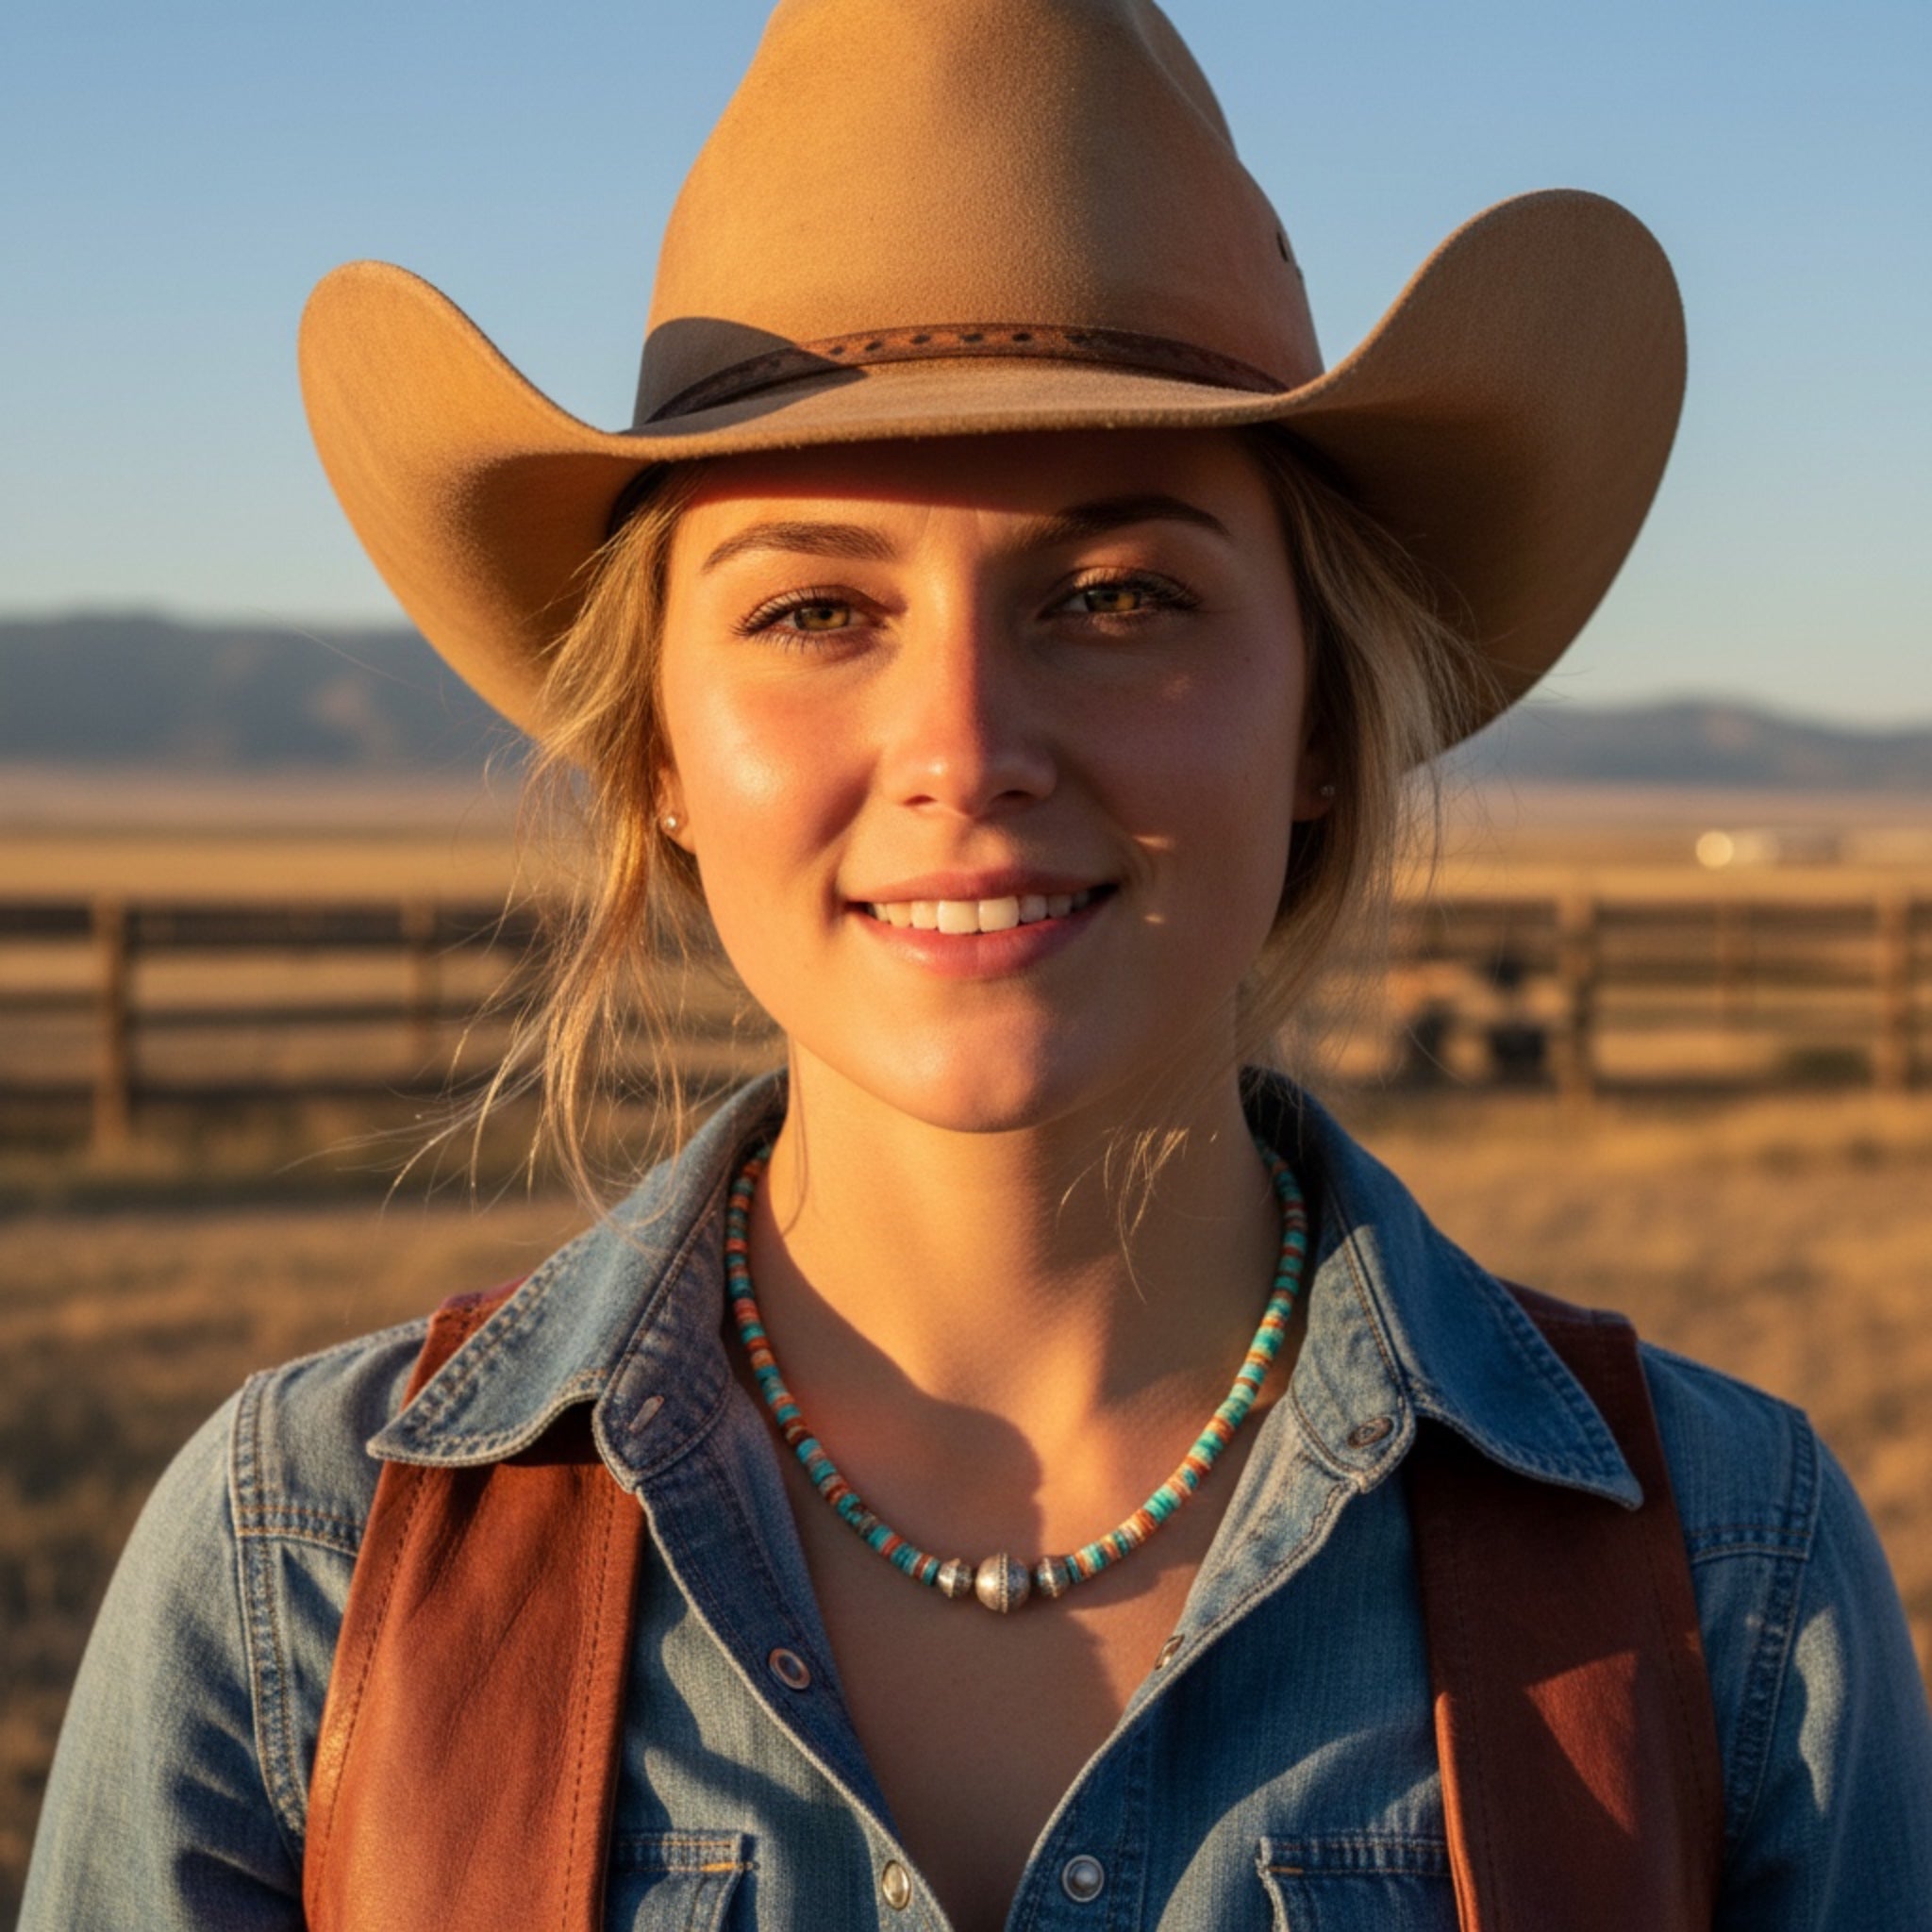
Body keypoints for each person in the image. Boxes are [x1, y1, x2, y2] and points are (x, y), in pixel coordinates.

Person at [23, 2, 1932, 1926]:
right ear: (659, 749)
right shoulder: (301, 1582)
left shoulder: (1726, 1586)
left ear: (1323, 719)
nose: (962, 745)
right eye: (814, 609)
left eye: (1117, 596)